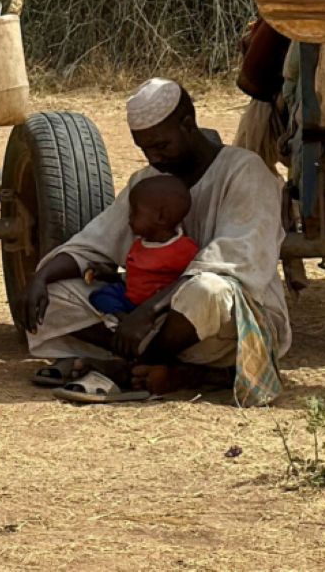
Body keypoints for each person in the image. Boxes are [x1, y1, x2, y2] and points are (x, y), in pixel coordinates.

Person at [24, 79, 287, 406]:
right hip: (149, 321)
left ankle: (130, 368)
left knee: (207, 290)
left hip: (223, 323)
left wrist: (148, 312)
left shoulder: (245, 171)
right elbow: (95, 243)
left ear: (188, 125)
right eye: (144, 149)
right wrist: (40, 278)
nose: (153, 157)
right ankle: (167, 366)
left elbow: (233, 265)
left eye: (161, 146)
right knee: (52, 296)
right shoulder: (148, 181)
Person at [82, 175, 199, 319]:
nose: (129, 218)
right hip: (130, 296)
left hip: (155, 306)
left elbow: (191, 278)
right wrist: (113, 271)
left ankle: (125, 320)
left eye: (134, 213)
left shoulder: (183, 249)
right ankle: (122, 318)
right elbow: (132, 271)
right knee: (99, 296)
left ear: (161, 217)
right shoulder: (140, 244)